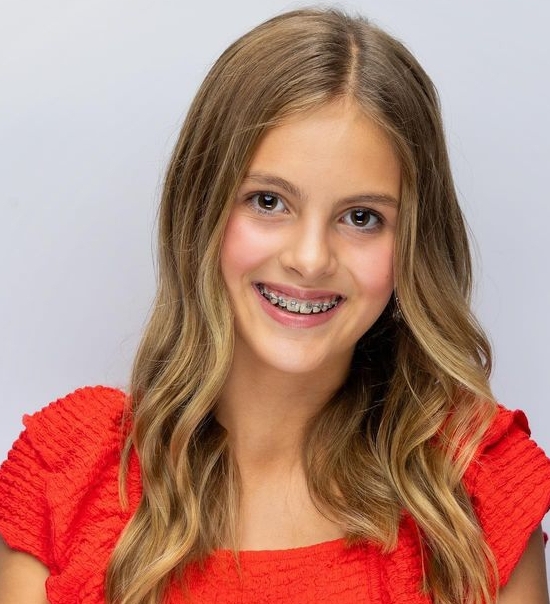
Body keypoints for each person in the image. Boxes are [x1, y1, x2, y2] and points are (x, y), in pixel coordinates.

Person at [0, 7, 549, 604]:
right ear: (201, 209)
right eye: (268, 201)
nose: (310, 259)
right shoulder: (68, 474)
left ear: (414, 243)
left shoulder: (475, 488)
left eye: (361, 217)